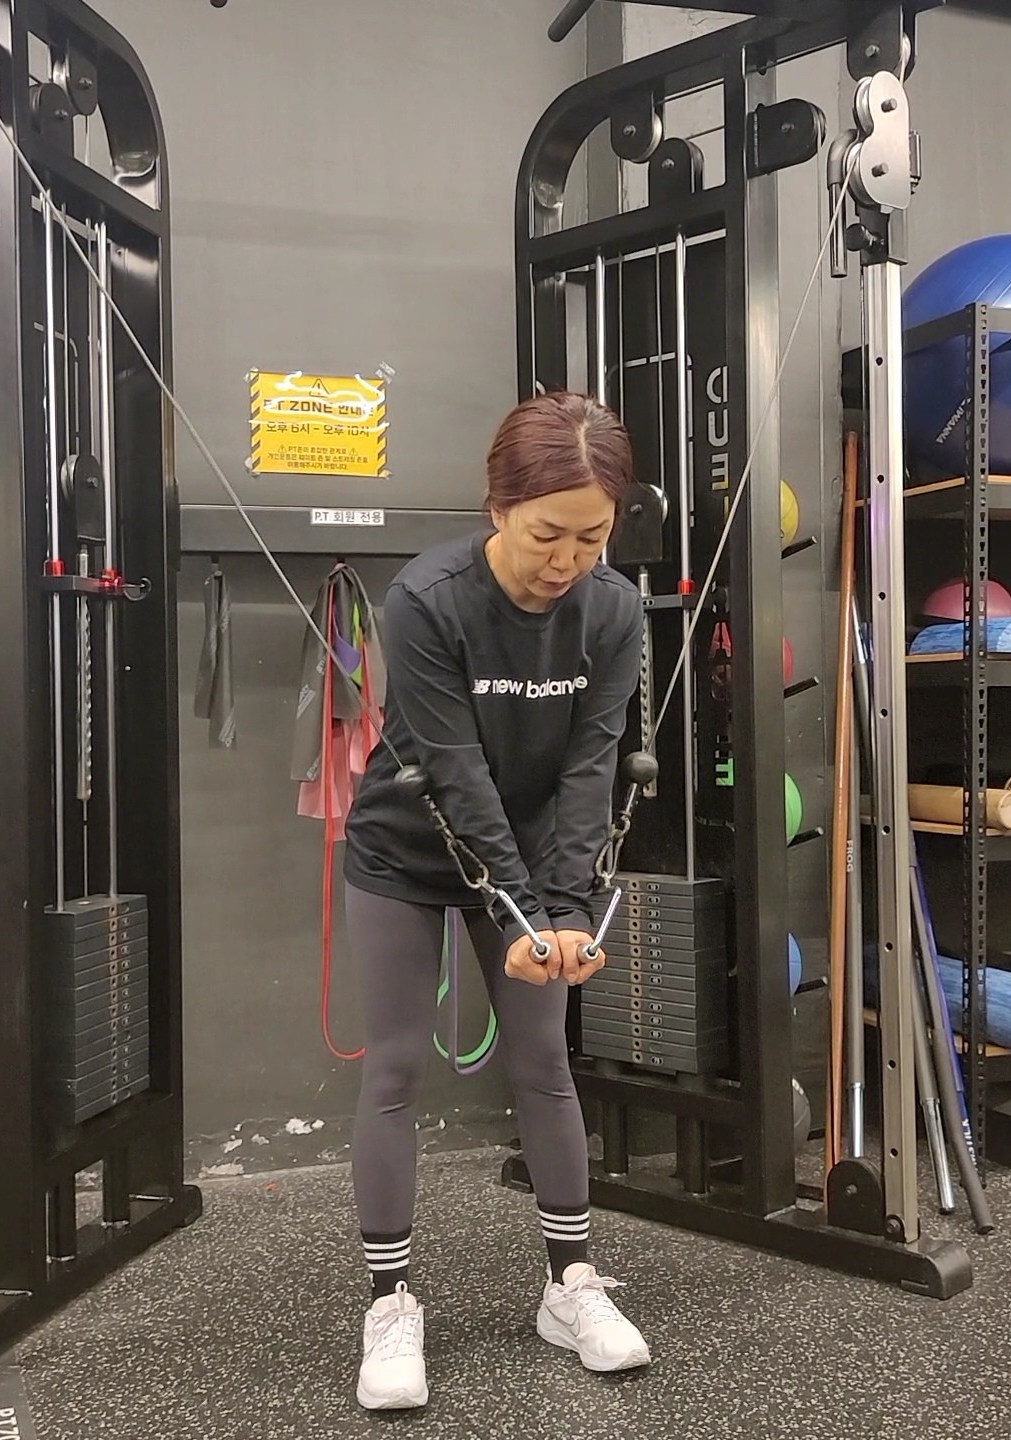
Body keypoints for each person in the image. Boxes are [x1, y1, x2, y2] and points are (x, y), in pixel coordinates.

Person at [341, 390, 650, 1410]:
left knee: (544, 1064)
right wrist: (522, 909)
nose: (566, 561)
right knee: (394, 1067)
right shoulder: (427, 599)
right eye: (546, 534)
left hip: (534, 862)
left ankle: (570, 1286)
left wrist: (567, 913)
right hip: (407, 849)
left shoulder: (612, 611)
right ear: (498, 508)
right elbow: (455, 767)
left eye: (592, 539)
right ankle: (390, 1306)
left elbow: (590, 769)